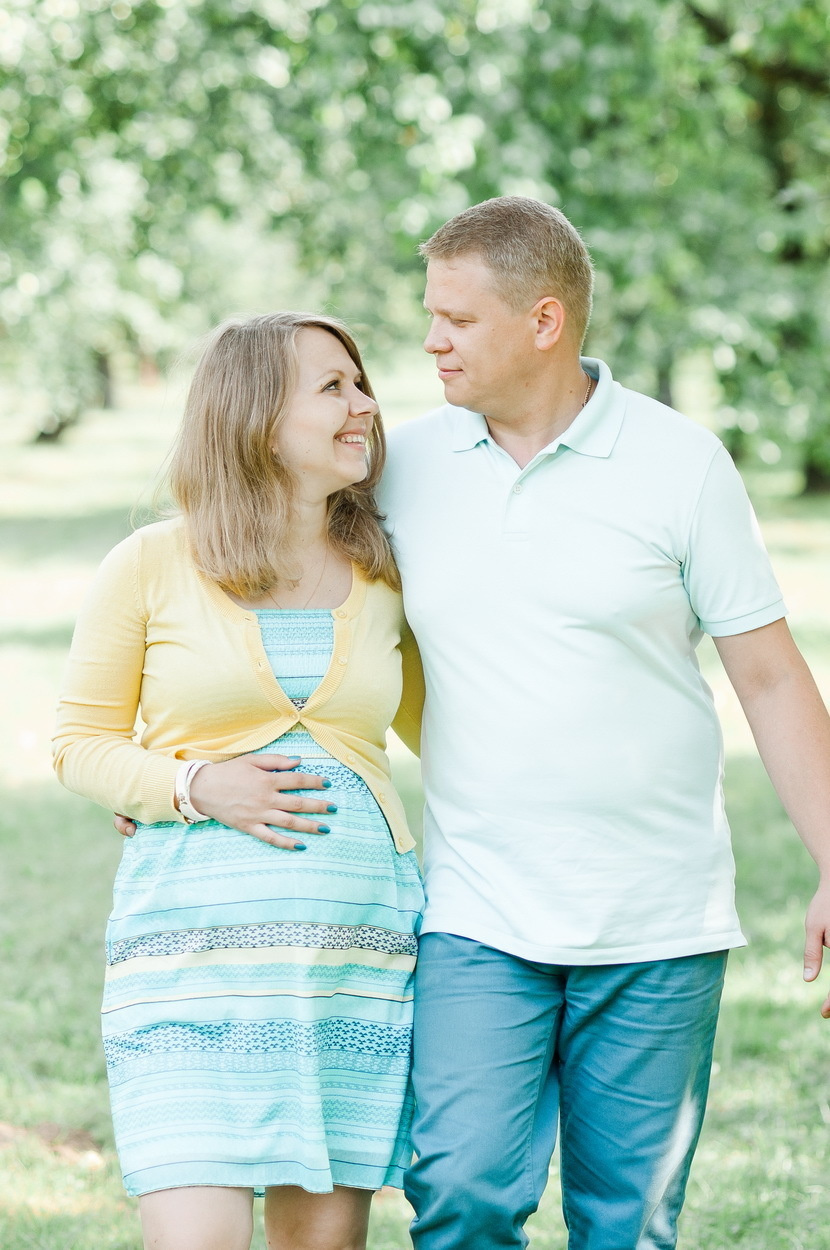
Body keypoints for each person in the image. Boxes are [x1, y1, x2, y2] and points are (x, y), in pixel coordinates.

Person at [373, 196, 830, 1250]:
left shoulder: (681, 464)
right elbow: (294, 612)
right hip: (477, 908)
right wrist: (179, 768)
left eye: (457, 318)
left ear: (544, 321)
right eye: (427, 315)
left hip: (656, 916)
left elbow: (766, 676)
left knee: (624, 1225)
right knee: (461, 1191)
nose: (430, 339)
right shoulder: (403, 468)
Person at [53, 312, 425, 1250]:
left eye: (360, 382)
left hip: (352, 965)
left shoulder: (386, 573)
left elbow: (456, 735)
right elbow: (79, 743)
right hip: (189, 964)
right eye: (332, 387)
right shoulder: (148, 564)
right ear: (258, 416)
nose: (365, 405)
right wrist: (193, 786)